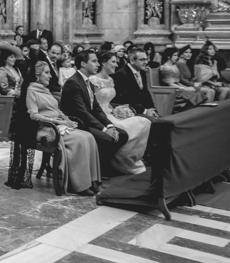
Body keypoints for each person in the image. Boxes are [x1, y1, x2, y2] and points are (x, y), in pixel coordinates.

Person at [25, 61, 102, 195]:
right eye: (47, 73)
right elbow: (33, 115)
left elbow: (56, 110)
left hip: (59, 124)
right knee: (79, 140)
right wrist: (55, 121)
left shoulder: (45, 90)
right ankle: (79, 185)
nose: (50, 76)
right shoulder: (31, 91)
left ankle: (92, 180)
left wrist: (67, 120)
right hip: (47, 128)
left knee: (89, 137)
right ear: (38, 75)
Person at [59, 51, 129, 175]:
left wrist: (110, 126)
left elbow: (96, 108)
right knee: (106, 138)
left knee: (122, 134)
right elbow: (82, 112)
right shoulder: (73, 82)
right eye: (94, 61)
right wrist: (104, 129)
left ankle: (103, 165)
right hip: (77, 122)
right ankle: (97, 170)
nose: (98, 64)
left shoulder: (88, 82)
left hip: (87, 120)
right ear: (83, 64)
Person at [89, 52, 150, 175]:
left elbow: (108, 101)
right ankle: (118, 161)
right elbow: (92, 103)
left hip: (110, 111)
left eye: (116, 62)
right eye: (113, 62)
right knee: (127, 127)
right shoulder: (93, 80)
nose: (116, 65)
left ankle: (131, 158)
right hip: (100, 115)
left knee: (144, 122)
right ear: (103, 63)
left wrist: (118, 110)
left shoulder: (110, 79)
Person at [112, 47, 159, 119]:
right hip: (129, 110)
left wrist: (152, 109)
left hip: (142, 109)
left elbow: (145, 93)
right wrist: (145, 111)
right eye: (142, 60)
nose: (146, 62)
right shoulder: (121, 74)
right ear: (132, 60)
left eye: (146, 59)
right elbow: (125, 98)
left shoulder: (142, 72)